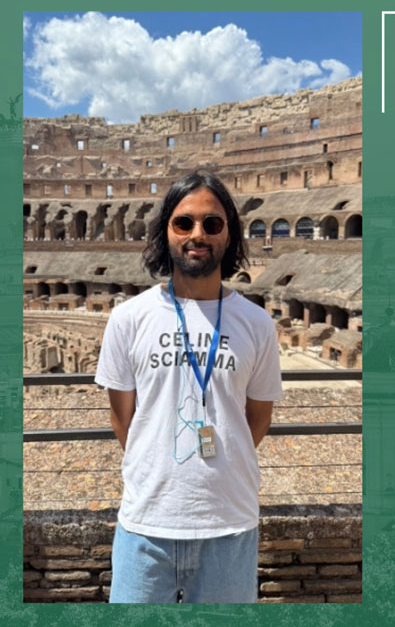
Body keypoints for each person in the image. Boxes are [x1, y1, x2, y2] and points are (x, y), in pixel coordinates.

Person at [95, 171, 283, 603]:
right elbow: (122, 417)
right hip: (145, 524)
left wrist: (219, 456)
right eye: (184, 223)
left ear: (229, 235)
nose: (197, 234)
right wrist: (159, 458)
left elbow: (258, 418)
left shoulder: (257, 324)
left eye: (212, 224)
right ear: (166, 232)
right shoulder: (128, 318)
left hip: (229, 523)